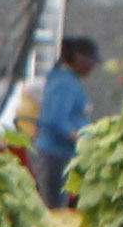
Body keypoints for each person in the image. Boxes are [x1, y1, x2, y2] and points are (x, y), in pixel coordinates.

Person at [38, 36, 100, 210]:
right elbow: (54, 119)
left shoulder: (68, 79)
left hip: (63, 154)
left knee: (60, 203)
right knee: (55, 206)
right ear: (79, 59)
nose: (92, 67)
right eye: (91, 62)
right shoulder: (64, 82)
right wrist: (79, 137)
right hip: (56, 154)